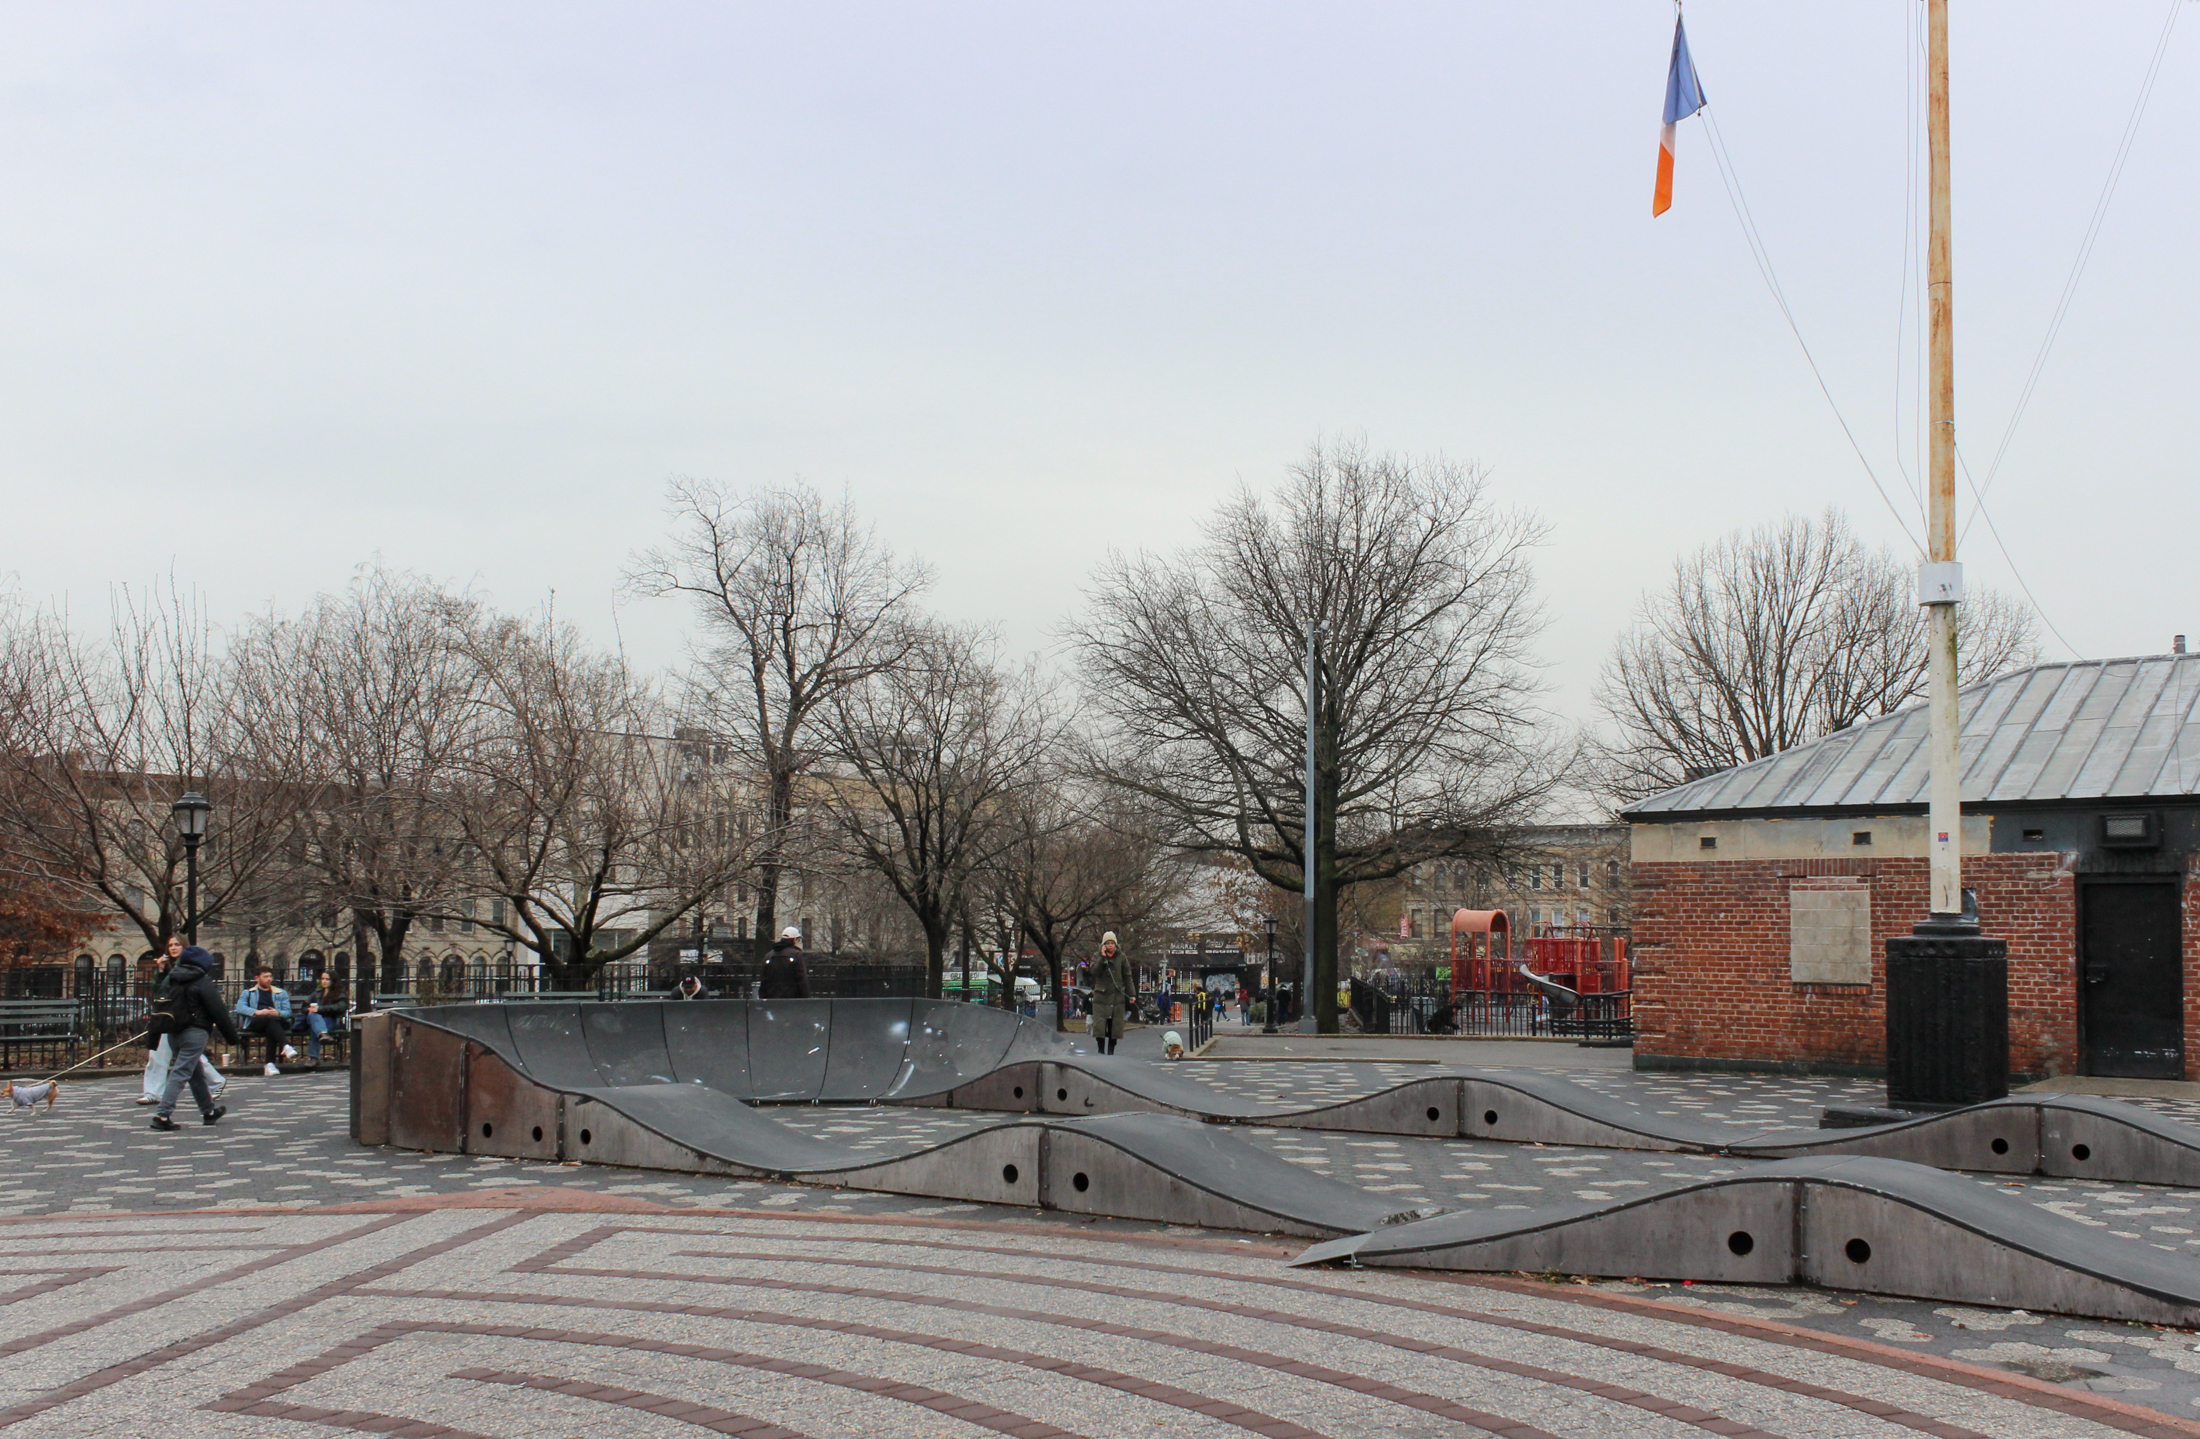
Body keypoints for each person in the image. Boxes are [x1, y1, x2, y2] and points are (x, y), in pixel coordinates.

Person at [151, 944, 240, 1131]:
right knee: (181, 1072)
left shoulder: (171, 977)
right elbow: (218, 1011)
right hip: (195, 1032)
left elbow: (159, 1003)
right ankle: (163, 1115)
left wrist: (153, 1036)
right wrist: (232, 1038)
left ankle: (208, 1111)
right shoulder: (202, 981)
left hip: (173, 1032)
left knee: (195, 1072)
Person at [139, 937, 225, 1105]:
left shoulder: (192, 967)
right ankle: (152, 1092)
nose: (173, 948)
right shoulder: (168, 968)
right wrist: (161, 971)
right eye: (170, 945)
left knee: (192, 1056)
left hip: (185, 1019)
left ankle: (216, 1081)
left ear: (185, 947)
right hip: (166, 1016)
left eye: (177, 944)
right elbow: (159, 991)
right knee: (157, 1055)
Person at [233, 967, 296, 1076]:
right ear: (257, 978)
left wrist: (278, 1013)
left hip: (276, 1021)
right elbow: (239, 1007)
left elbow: (288, 1012)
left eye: (270, 976)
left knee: (271, 1024)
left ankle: (270, 1065)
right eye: (265, 976)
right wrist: (257, 1012)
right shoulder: (248, 993)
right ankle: (284, 1046)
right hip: (257, 1022)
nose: (269, 979)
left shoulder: (280, 993)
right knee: (270, 1021)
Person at [1087, 931, 1131, 1056]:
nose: (1110, 945)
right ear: (1103, 945)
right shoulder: (1096, 956)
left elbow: (1127, 976)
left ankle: (1111, 1050)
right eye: (1107, 943)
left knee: (1115, 1026)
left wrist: (1132, 994)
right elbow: (1094, 971)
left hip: (1116, 996)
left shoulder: (1121, 957)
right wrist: (1102, 958)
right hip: (1101, 997)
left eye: (1112, 943)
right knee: (1100, 1026)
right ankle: (1100, 1050)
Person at [300, 975, 346, 1061]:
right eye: (322, 979)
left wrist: (319, 1009)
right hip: (314, 1019)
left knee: (316, 1028)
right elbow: (304, 1006)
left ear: (333, 981)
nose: (324, 981)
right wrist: (308, 1010)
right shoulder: (317, 993)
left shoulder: (340, 993)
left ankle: (313, 1058)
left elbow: (341, 1007)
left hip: (330, 1020)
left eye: (327, 979)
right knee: (312, 1016)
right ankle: (323, 1034)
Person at [759, 927, 810, 1000]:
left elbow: (763, 979)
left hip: (772, 999)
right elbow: (802, 979)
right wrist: (806, 997)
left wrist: (763, 997)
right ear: (794, 940)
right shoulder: (796, 955)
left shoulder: (769, 955)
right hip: (792, 999)